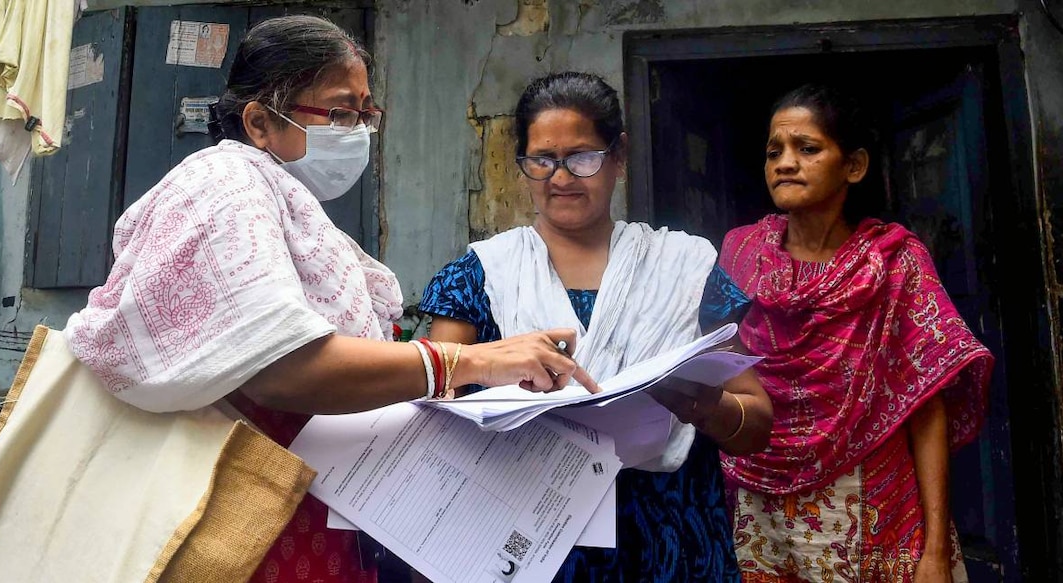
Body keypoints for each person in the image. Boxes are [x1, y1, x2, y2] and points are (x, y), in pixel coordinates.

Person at [63, 17, 598, 583]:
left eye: (365, 114)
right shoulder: (226, 186)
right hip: (239, 519)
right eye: (340, 113)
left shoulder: (284, 201)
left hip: (300, 508)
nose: (359, 131)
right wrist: (477, 361)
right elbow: (283, 366)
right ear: (261, 121)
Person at [419, 71, 773, 582]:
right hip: (525, 535)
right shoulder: (479, 275)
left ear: (619, 155)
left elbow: (756, 421)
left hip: (669, 536)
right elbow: (430, 411)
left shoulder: (685, 268)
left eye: (582, 157)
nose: (560, 178)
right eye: (541, 160)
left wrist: (706, 406)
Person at [720, 84, 994, 583]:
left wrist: (934, 551)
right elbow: (719, 375)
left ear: (854, 166)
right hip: (758, 505)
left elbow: (925, 405)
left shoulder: (893, 265)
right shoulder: (740, 257)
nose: (785, 163)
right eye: (773, 151)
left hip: (871, 504)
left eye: (807, 148)